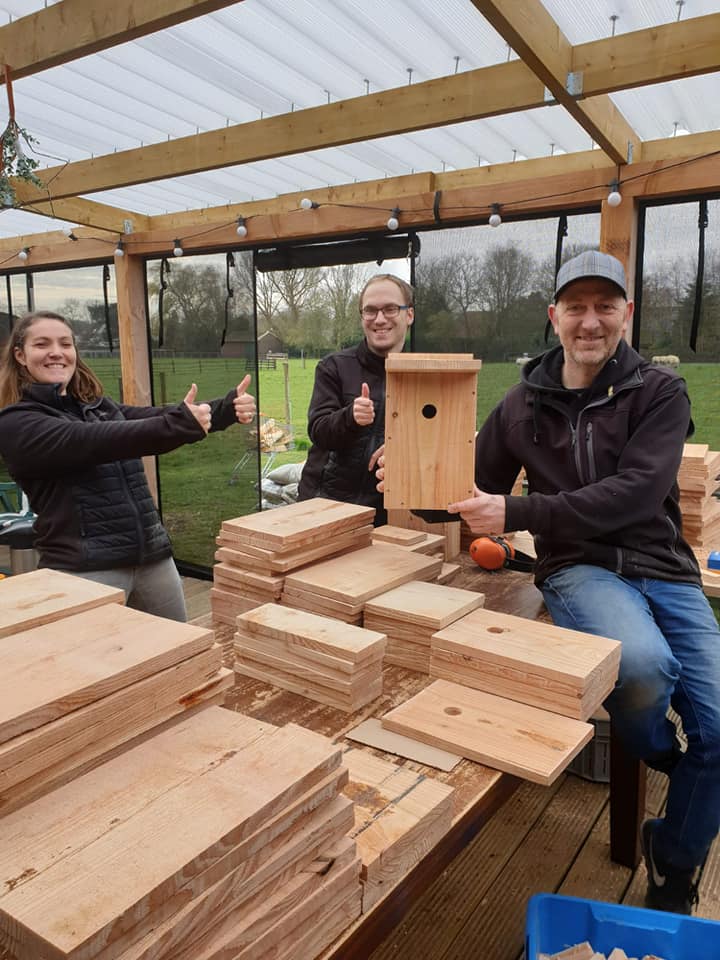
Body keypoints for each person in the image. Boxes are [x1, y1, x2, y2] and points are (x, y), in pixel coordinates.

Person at [442, 250, 720, 915]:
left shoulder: (659, 391)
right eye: (576, 307)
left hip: (664, 568)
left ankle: (672, 861)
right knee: (644, 669)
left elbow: (636, 493)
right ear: (554, 316)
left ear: (627, 313)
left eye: (604, 306)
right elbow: (467, 487)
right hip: (579, 569)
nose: (589, 321)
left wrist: (521, 512)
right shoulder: (520, 405)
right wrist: (410, 469)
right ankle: (673, 761)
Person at [0, 310, 256, 622]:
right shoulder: (17, 423)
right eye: (42, 344)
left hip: (153, 559)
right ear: (20, 355)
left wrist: (224, 409)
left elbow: (152, 417)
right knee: (99, 654)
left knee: (178, 648)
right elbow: (100, 440)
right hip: (86, 571)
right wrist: (179, 424)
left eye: (65, 344)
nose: (57, 352)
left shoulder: (97, 407)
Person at [298, 273, 414, 525]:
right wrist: (349, 417)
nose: (379, 319)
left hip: (385, 515)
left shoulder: (424, 374)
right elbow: (318, 431)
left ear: (409, 315)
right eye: (370, 310)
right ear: (362, 317)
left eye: (390, 309)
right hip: (324, 506)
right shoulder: (334, 367)